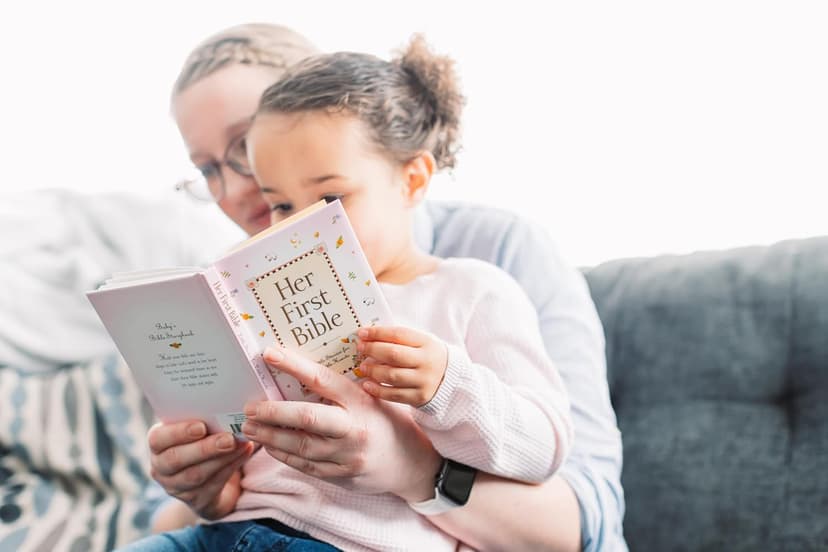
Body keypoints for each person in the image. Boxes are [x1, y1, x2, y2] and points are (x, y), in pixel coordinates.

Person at [149, 23, 625, 551]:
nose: (238, 191)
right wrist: (205, 483)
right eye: (208, 168)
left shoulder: (481, 278)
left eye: (243, 147)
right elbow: (166, 514)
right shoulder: (232, 291)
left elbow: (577, 508)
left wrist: (423, 438)